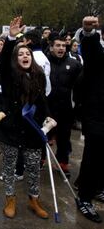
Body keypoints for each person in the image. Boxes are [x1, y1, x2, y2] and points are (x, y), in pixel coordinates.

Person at [0, 16, 56, 219]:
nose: (25, 56)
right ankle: (10, 199)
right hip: (11, 130)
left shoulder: (38, 76)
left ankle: (33, 199)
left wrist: (49, 124)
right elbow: (3, 63)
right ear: (16, 59)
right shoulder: (10, 76)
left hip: (33, 131)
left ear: (32, 57)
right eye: (21, 54)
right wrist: (11, 37)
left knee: (34, 167)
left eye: (27, 53)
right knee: (10, 167)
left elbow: (43, 103)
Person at [74, 16, 104, 223]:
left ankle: (97, 188)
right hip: (98, 118)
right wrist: (89, 33)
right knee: (94, 158)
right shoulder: (99, 57)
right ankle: (84, 197)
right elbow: (92, 53)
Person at [46, 34, 82, 177]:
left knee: (64, 138)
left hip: (66, 109)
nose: (61, 48)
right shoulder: (45, 62)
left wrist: (78, 106)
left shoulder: (74, 64)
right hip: (47, 108)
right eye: (58, 45)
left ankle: (62, 163)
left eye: (63, 45)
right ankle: (41, 159)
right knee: (43, 135)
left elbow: (81, 86)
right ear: (51, 47)